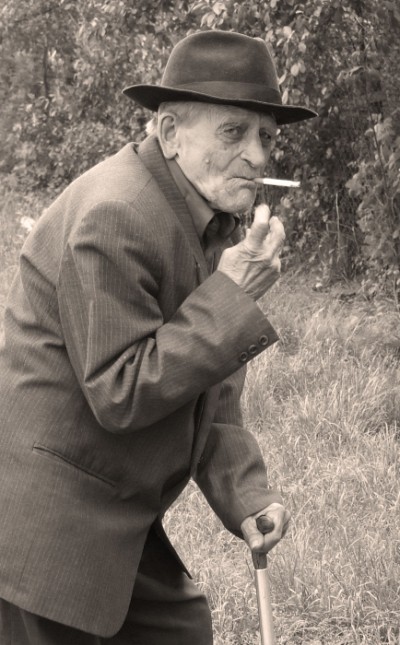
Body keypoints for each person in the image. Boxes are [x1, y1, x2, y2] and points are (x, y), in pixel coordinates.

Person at [0, 30, 316, 645]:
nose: (257, 155)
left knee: (182, 631)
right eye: (234, 132)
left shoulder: (208, 219)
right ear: (170, 133)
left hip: (112, 507)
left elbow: (207, 379)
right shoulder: (117, 214)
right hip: (45, 525)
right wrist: (233, 297)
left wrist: (247, 495)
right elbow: (121, 392)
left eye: (267, 137)